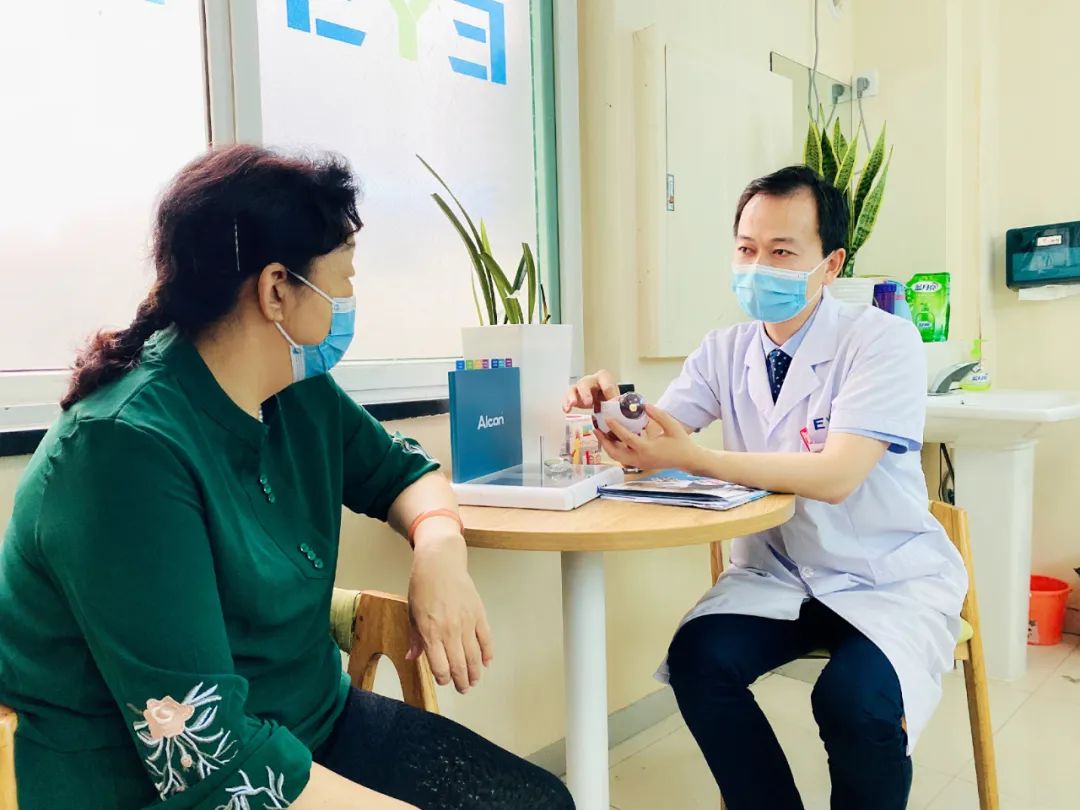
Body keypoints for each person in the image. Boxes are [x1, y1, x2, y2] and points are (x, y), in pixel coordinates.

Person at [0, 145, 574, 810]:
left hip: (312, 725)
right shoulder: (122, 454)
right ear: (277, 289)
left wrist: (440, 549)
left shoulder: (294, 391)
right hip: (168, 783)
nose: (350, 299)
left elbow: (404, 474)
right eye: (344, 277)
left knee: (541, 802)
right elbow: (207, 759)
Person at [565, 166, 966, 810]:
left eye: (781, 252)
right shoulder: (723, 350)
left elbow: (836, 476)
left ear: (831, 264)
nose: (758, 268)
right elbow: (656, 443)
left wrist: (697, 458)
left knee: (853, 702)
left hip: (885, 577)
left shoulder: (882, 341)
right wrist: (612, 410)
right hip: (778, 575)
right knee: (698, 662)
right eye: (747, 249)